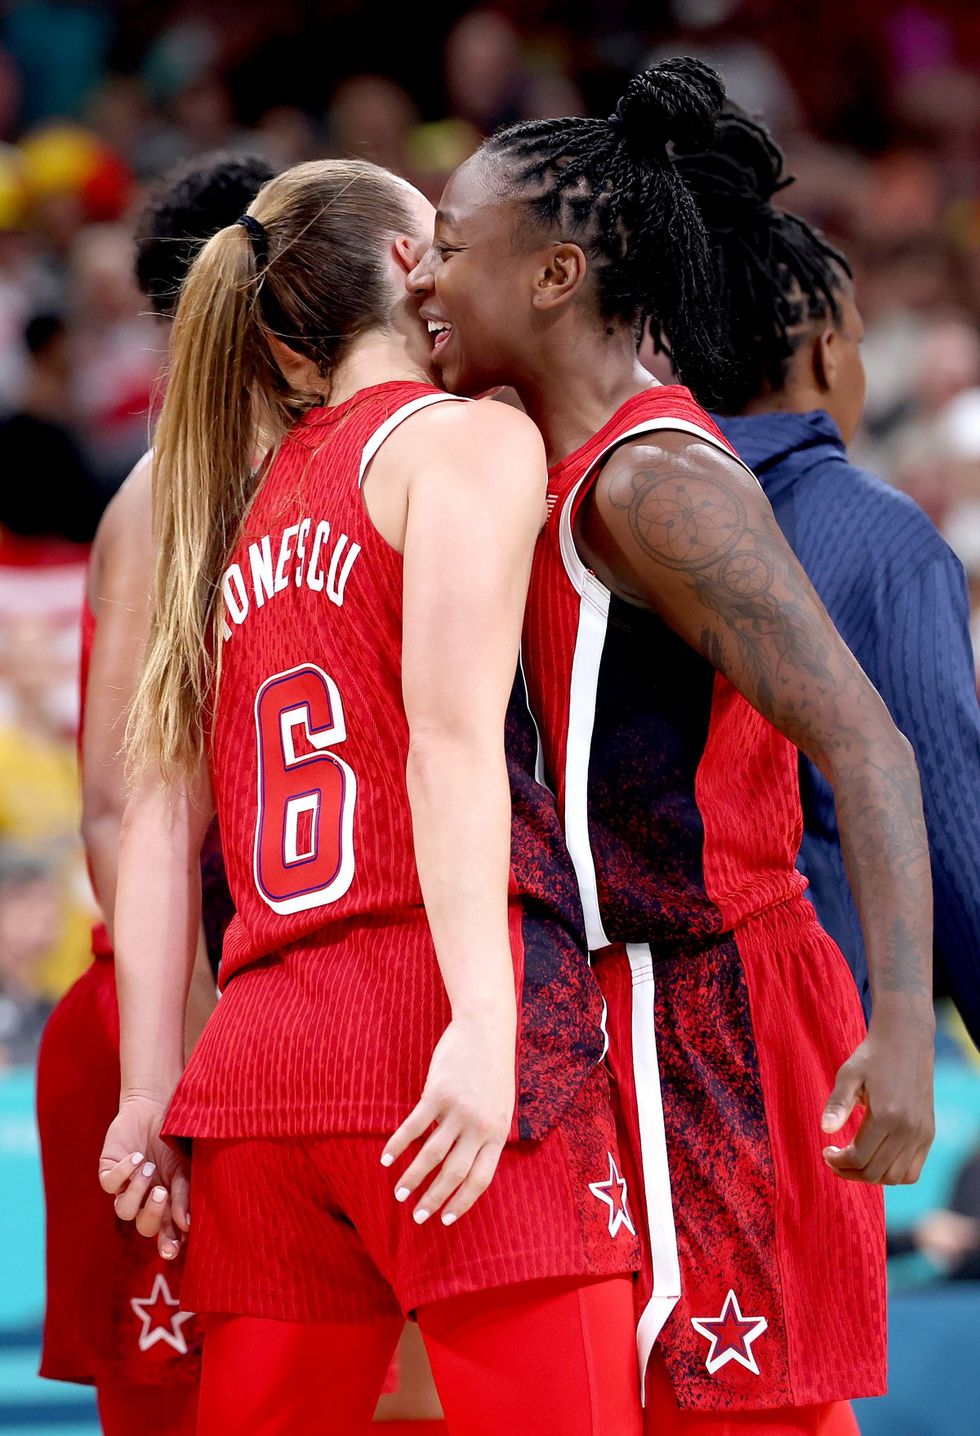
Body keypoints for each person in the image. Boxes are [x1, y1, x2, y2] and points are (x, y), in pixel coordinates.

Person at [408, 57, 935, 1436]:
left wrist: (901, 1035)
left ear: (556, 275)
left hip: (714, 995)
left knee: (731, 1407)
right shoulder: (534, 451)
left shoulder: (659, 484)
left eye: (453, 252)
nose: (425, 285)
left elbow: (871, 745)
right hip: (617, 994)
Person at [98, 158, 642, 1436]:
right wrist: (485, 1020)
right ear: (409, 265)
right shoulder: (462, 439)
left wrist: (147, 1091)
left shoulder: (227, 504)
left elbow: (157, 823)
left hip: (255, 1065)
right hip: (431, 1017)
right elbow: (445, 744)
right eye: (441, 239)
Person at [36, 153, 272, 1436]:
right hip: (172, 1022)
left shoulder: (320, 469)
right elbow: (122, 808)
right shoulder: (163, 501)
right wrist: (179, 1059)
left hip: (257, 1023)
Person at [669, 111, 980, 1045]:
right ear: (827, 352)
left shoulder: (605, 510)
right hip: (815, 1027)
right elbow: (950, 822)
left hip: (632, 1043)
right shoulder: (877, 534)